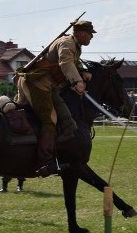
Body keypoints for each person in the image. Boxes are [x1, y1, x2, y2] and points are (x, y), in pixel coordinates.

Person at [16, 19, 96, 177]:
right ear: (80, 33)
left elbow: (72, 61)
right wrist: (77, 81)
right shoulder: (67, 43)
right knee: (50, 119)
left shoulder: (74, 45)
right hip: (37, 84)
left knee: (65, 117)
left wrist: (82, 70)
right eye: (89, 34)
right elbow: (65, 62)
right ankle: (45, 161)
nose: (91, 37)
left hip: (48, 86)